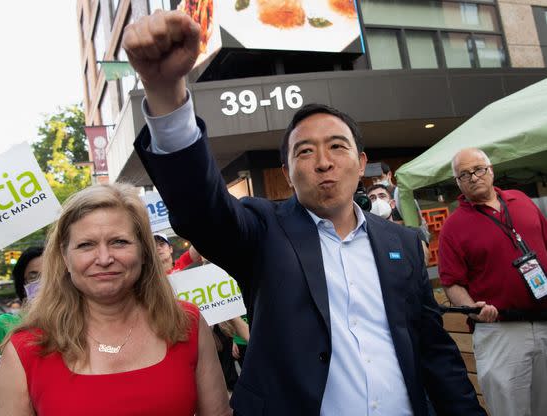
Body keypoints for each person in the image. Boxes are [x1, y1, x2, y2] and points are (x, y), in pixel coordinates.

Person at [123, 10, 484, 415]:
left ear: (361, 162)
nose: (323, 162)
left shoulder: (401, 242)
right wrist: (166, 92)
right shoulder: (263, 231)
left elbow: (434, 350)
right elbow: (201, 210)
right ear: (288, 174)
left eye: (337, 147)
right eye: (305, 152)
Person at [0, 183, 230, 416]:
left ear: (144, 252)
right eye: (86, 245)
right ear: (65, 257)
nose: (104, 258)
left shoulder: (186, 323)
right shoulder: (27, 347)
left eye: (119, 242)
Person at [438, 148, 547, 416]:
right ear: (458, 183)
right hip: (500, 332)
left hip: (544, 322)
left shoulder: (520, 200)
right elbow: (451, 283)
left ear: (491, 170)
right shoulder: (453, 226)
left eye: (478, 169)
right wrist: (473, 309)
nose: (474, 177)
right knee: (510, 410)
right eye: (465, 174)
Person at [368, 184, 430, 261]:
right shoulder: (367, 238)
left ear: (392, 204)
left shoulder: (412, 233)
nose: (378, 201)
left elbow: (424, 261)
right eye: (372, 198)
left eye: (382, 196)